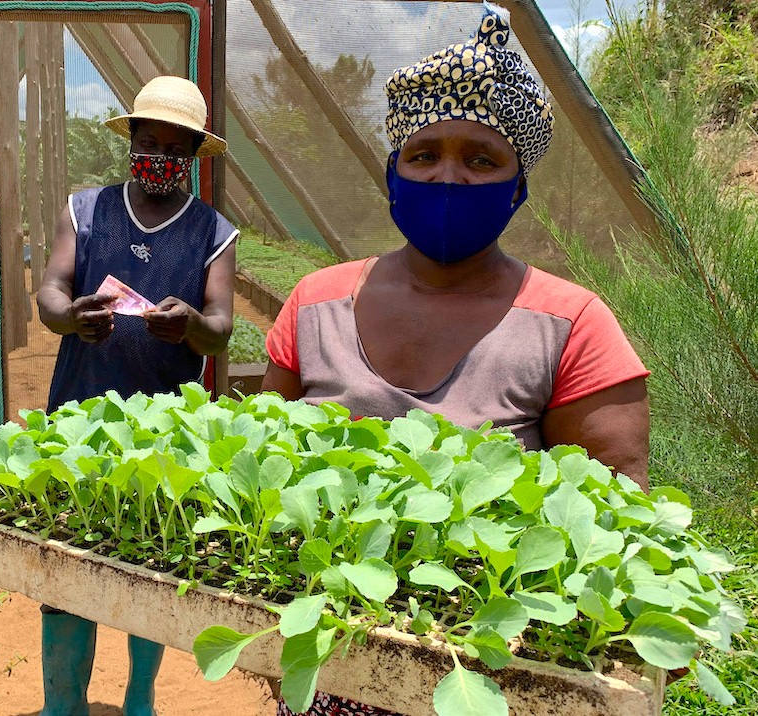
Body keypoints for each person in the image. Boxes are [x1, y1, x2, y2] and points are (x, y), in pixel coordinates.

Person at [262, 6, 650, 715]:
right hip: (328, 660)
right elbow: (262, 469)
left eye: (480, 160)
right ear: (391, 172)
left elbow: (613, 514)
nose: (448, 178)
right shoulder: (313, 304)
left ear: (517, 186)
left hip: (489, 672)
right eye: (423, 155)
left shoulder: (571, 323)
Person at [36, 75, 237, 716]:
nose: (159, 157)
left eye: (174, 149)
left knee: (151, 561)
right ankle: (63, 703)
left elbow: (221, 328)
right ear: (131, 144)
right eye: (148, 142)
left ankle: (140, 700)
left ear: (193, 157)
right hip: (79, 412)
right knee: (66, 558)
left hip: (164, 427)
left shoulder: (213, 232)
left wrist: (192, 327)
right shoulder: (86, 210)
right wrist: (71, 317)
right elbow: (50, 291)